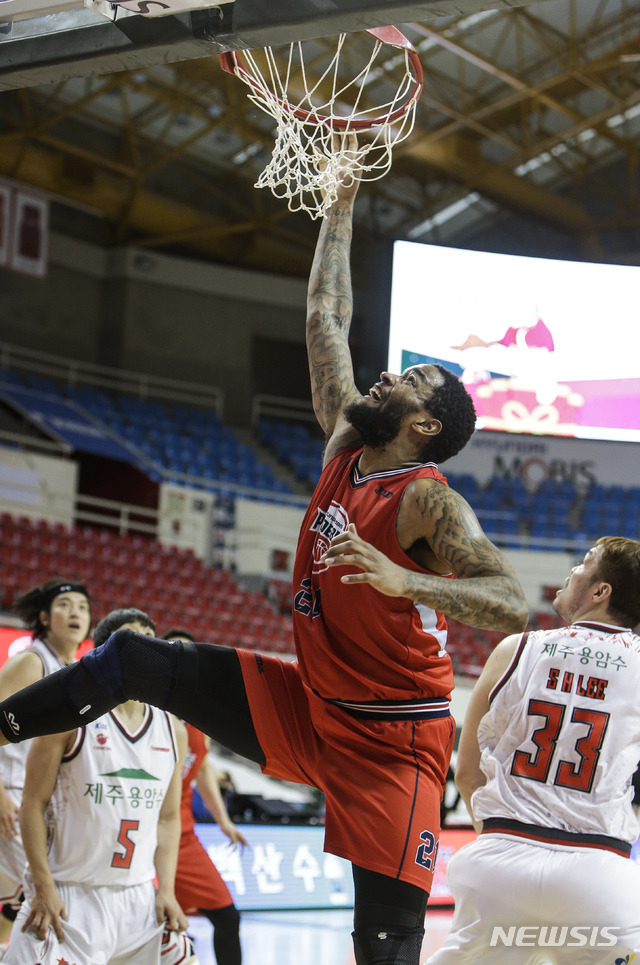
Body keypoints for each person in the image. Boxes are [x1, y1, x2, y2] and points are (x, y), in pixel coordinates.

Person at [0, 170, 528, 965]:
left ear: (424, 422)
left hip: (394, 741)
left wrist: (404, 580)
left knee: (384, 950)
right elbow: (326, 317)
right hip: (313, 704)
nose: (390, 373)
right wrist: (341, 207)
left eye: (412, 379)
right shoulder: (347, 445)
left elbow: (513, 601)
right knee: (138, 657)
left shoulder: (427, 501)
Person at [427, 536, 640, 965]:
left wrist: (502, 843)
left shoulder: (516, 648)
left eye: (584, 563)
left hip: (500, 861)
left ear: (601, 592)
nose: (573, 570)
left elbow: (467, 773)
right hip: (600, 872)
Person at [3, 608, 196, 965]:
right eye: (133, 641)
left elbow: (168, 819)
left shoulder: (173, 729)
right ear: (106, 653)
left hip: (139, 898)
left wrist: (166, 889)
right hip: (69, 895)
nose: (145, 651)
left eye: (151, 642)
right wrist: (44, 887)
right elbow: (33, 803)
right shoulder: (68, 716)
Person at [0, 578, 91, 947]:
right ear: (43, 616)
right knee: (44, 893)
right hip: (12, 798)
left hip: (39, 803)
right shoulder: (31, 661)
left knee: (18, 901)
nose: (76, 613)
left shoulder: (72, 670)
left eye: (83, 607)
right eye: (66, 604)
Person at [162, 629, 246, 965]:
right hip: (149, 835)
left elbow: (203, 768)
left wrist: (224, 821)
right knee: (158, 926)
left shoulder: (197, 710)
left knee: (227, 917)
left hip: (183, 834)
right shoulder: (150, 712)